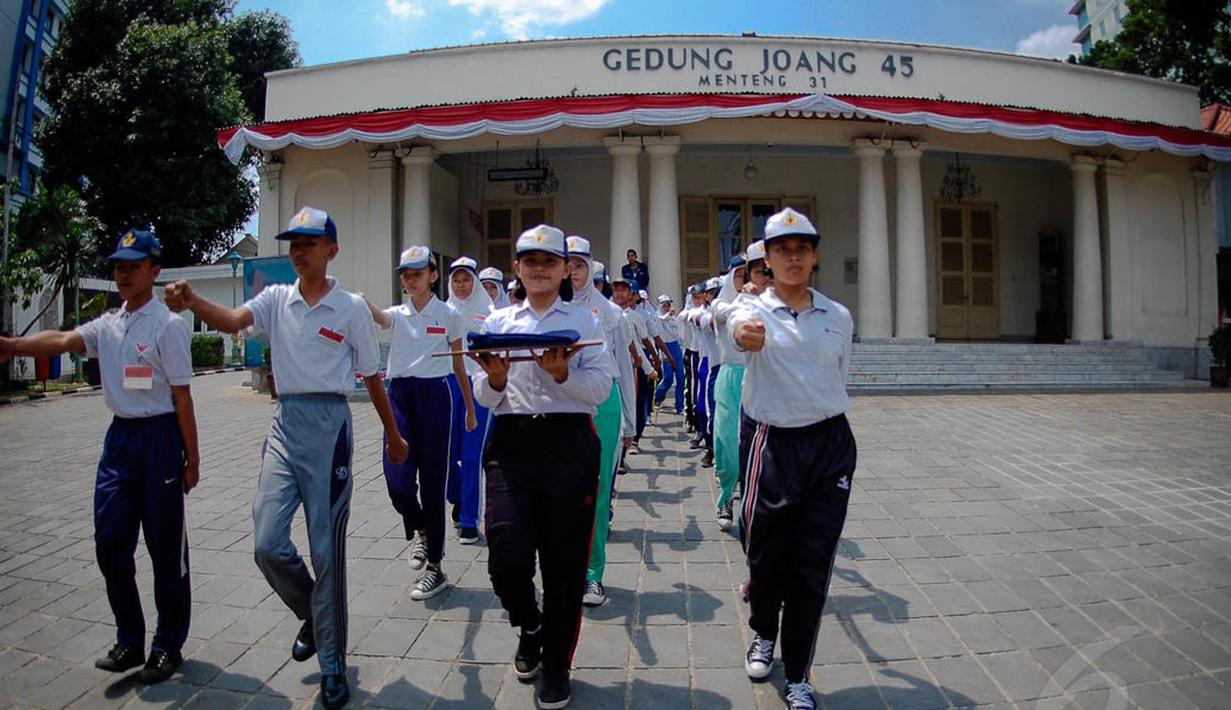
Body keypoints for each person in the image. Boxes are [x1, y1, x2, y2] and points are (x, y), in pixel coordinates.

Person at [164, 207, 408, 709]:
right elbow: (234, 319)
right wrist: (193, 301)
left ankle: (333, 667)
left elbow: (372, 377)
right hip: (285, 425)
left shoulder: (350, 310)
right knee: (267, 542)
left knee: (326, 552)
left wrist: (393, 435)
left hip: (330, 429)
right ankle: (312, 614)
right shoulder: (277, 300)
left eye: (308, 242)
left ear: (331, 250)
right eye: (293, 243)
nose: (298, 251)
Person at [0, 229, 198, 685]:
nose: (123, 273)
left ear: (154, 270)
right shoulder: (108, 324)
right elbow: (65, 339)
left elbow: (184, 397)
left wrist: (192, 461)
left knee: (167, 551)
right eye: (118, 266)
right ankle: (130, 638)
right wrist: (13, 346)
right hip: (121, 442)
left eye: (132, 265)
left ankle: (168, 645)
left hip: (161, 438)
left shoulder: (169, 326)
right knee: (110, 543)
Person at [469, 225, 615, 709]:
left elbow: (599, 391)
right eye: (528, 260)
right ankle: (528, 623)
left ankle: (556, 664)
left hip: (569, 442)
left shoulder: (587, 321)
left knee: (564, 565)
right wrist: (493, 380)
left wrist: (563, 374)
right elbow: (483, 394)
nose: (538, 268)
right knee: (506, 554)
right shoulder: (499, 322)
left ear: (564, 269)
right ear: (516, 267)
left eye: (548, 261)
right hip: (513, 443)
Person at [727, 208, 856, 710]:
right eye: (782, 248)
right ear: (768, 257)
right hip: (773, 444)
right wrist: (745, 336)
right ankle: (764, 631)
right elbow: (737, 325)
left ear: (815, 254)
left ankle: (799, 672)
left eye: (802, 247)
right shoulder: (753, 308)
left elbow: (839, 376)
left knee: (812, 564)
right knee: (765, 553)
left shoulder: (837, 316)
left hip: (829, 447)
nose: (794, 256)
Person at [360, 246, 475, 601]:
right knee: (398, 481)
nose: (410, 280)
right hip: (400, 399)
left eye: (417, 273)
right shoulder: (399, 313)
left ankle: (435, 567)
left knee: (433, 484)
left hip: (437, 398)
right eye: (405, 275)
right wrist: (362, 301)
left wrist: (469, 408)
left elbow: (459, 366)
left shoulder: (450, 315)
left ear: (432, 275)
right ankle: (420, 529)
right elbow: (380, 318)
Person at [566, 236, 631, 609]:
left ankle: (594, 574)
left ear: (591, 268)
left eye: (580, 265)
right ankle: (566, 568)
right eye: (569, 264)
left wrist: (628, 423)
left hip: (603, 404)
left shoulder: (610, 313)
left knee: (597, 490)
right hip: (563, 404)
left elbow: (622, 369)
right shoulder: (550, 306)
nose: (574, 272)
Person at [446, 256, 492, 545]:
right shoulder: (442, 311)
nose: (461, 285)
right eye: (456, 280)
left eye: (466, 279)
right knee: (448, 454)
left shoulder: (489, 313)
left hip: (478, 387)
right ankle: (458, 496)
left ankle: (469, 521)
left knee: (473, 455)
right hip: (448, 387)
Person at [708, 255, 748, 531]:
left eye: (751, 273)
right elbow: (728, 314)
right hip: (730, 375)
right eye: (740, 274)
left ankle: (750, 502)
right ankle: (725, 497)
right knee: (726, 442)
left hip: (760, 378)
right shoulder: (720, 303)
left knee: (756, 445)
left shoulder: (768, 304)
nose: (745, 280)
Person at [653, 294, 685, 414]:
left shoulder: (672, 318)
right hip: (665, 348)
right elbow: (660, 321)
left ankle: (680, 406)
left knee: (681, 378)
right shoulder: (657, 318)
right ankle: (658, 396)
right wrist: (668, 315)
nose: (667, 307)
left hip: (676, 347)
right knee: (669, 378)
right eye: (665, 305)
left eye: (668, 305)